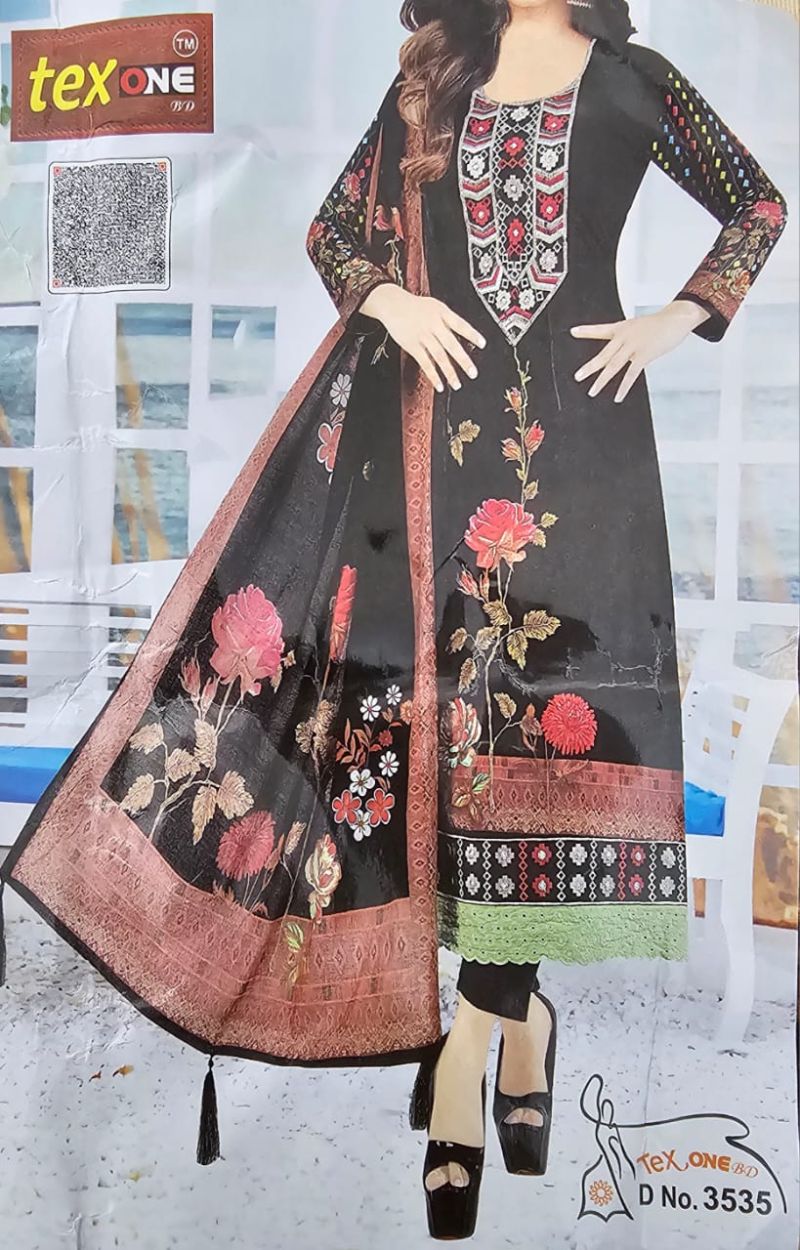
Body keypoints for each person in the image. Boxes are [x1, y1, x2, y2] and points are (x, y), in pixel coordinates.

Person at [1, 0, 786, 1242]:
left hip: (588, 472)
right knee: (453, 756)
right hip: (424, 467)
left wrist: (670, 317)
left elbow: (754, 201)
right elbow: (333, 229)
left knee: (539, 748)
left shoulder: (638, 80)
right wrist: (386, 302)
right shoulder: (434, 77)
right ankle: (515, 1029)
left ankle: (467, 1055)